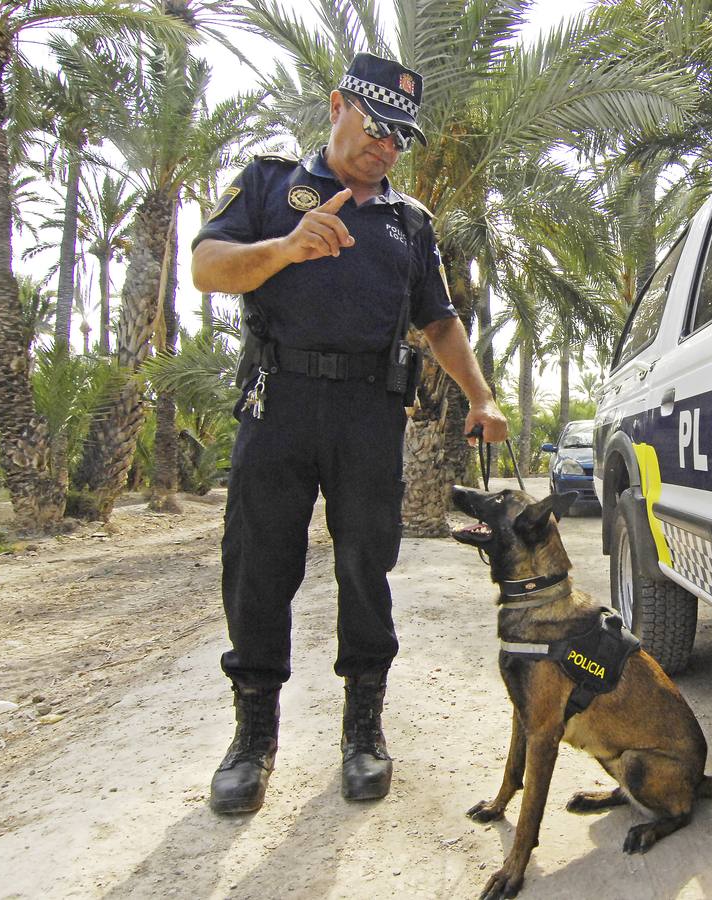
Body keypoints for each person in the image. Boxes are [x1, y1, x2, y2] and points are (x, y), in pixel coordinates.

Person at [190, 52, 508, 815]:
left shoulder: (408, 222)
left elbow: (437, 320)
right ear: (337, 105)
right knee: (260, 566)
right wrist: (287, 248)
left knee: (368, 566)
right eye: (377, 127)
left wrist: (481, 396)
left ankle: (363, 729)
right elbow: (206, 267)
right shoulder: (269, 185)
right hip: (279, 403)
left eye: (402, 137)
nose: (387, 146)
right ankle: (252, 738)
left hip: (369, 411)